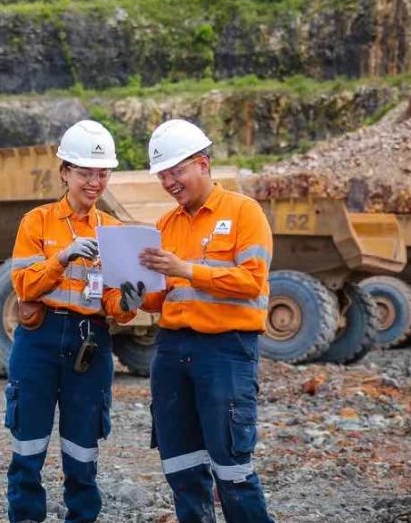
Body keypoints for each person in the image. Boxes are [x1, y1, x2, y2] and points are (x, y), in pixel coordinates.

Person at [119, 119, 276, 523]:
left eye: (177, 171)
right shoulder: (166, 225)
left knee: (232, 467)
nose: (170, 181)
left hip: (225, 350)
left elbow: (252, 282)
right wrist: (137, 295)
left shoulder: (244, 212)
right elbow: (161, 295)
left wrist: (187, 269)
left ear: (203, 164)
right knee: (181, 464)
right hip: (172, 351)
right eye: (163, 174)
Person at [4, 119, 138, 523]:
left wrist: (130, 301)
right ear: (64, 172)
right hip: (39, 340)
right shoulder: (37, 222)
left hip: (89, 343)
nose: (94, 182)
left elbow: (115, 305)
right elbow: (24, 286)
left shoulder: (113, 230)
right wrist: (62, 258)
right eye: (85, 173)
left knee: (83, 450)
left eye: (102, 174)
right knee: (28, 446)